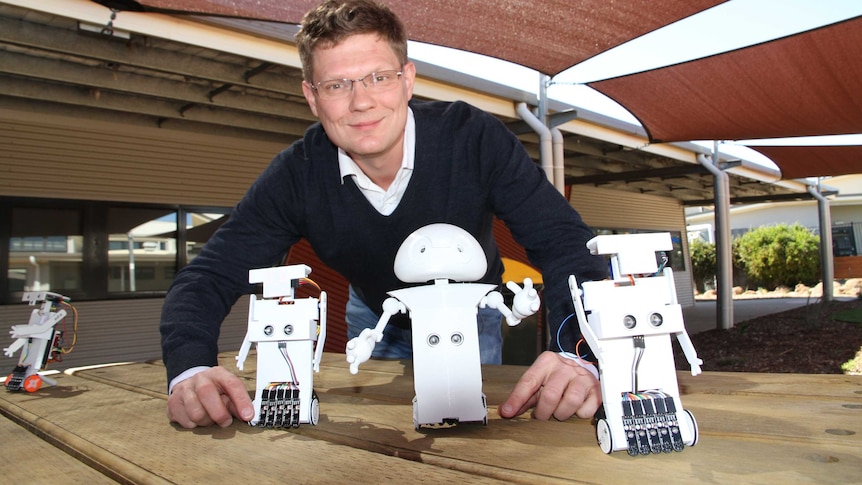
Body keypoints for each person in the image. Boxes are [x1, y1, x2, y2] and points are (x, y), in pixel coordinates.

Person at [160, 0, 609, 429]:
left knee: (472, 430)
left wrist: (578, 350)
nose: (361, 102)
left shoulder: (473, 139)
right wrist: (190, 367)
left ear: (408, 79)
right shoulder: (296, 176)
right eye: (337, 85)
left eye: (378, 77)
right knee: (378, 431)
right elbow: (211, 275)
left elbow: (564, 242)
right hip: (374, 314)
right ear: (312, 97)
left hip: (470, 312)